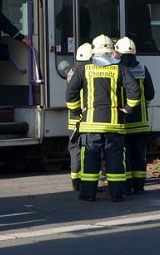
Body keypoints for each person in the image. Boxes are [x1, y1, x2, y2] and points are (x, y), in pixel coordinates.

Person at [66, 34, 141, 202]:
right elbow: (135, 92)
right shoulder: (120, 68)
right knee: (114, 157)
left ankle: (87, 194)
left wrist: (78, 111)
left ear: (94, 50)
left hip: (91, 124)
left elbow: (70, 94)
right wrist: (128, 109)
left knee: (90, 157)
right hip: (114, 124)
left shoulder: (83, 69)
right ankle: (117, 194)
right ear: (111, 50)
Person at [114, 37, 155, 195]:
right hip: (141, 122)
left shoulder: (116, 69)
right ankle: (139, 186)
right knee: (139, 155)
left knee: (124, 155)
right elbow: (150, 93)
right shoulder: (143, 69)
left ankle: (127, 185)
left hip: (122, 121)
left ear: (118, 52)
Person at [66, 42, 93, 192]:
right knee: (88, 149)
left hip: (72, 119)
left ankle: (75, 180)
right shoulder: (89, 70)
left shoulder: (72, 71)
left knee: (75, 149)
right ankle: (86, 181)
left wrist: (75, 112)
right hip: (86, 118)